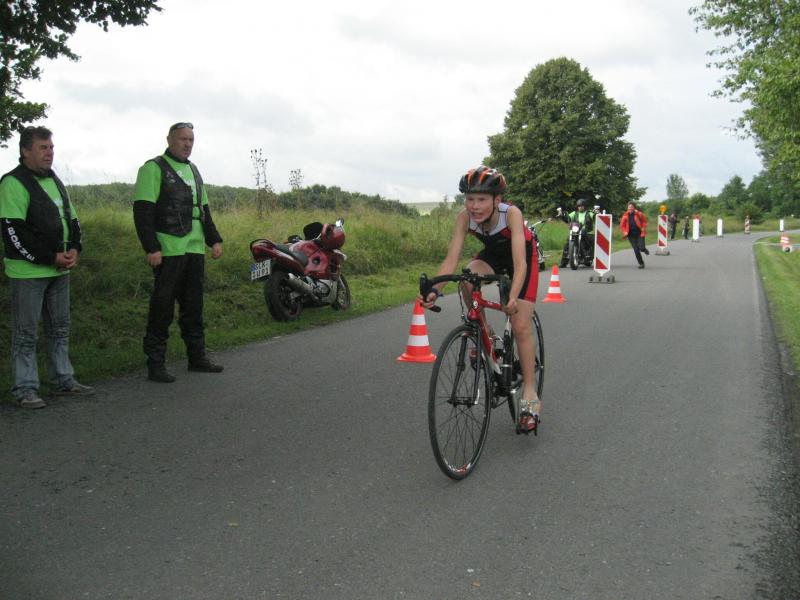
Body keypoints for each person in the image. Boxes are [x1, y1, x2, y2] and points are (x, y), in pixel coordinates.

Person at [419, 166, 541, 432]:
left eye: (482, 199)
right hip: (493, 256)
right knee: (467, 278)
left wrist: (513, 297)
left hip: (523, 258)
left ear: (497, 199)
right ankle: (486, 332)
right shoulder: (464, 218)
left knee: (520, 324)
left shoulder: (511, 214)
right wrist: (435, 289)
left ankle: (530, 395)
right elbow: (451, 258)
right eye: (470, 199)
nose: (475, 206)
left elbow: (520, 264)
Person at [0, 126, 95, 408]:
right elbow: (14, 232)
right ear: (25, 151)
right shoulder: (13, 183)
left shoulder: (54, 180)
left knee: (60, 329)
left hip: (59, 271)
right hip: (28, 273)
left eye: (51, 147)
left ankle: (63, 379)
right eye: (43, 147)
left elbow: (73, 221)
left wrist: (75, 248)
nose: (49, 153)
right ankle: (25, 388)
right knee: (26, 334)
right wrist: (50, 257)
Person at [133, 122, 224, 383]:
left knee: (194, 306)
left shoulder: (194, 170)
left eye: (191, 140)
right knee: (162, 307)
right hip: (168, 249)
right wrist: (151, 247)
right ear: (170, 140)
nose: (187, 144)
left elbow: (204, 210)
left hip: (194, 248)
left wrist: (214, 240)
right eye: (183, 139)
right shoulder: (153, 168)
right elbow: (143, 212)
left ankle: (197, 357)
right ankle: (156, 363)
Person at [558, 197, 595, 268]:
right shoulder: (574, 213)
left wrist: (596, 213)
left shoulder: (589, 213)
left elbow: (595, 217)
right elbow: (567, 218)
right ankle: (564, 262)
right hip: (576, 232)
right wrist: (562, 215)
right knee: (567, 242)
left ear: (585, 206)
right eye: (579, 206)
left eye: (582, 206)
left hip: (588, 232)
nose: (580, 207)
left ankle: (589, 255)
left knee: (592, 240)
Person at [620, 201, 648, 268]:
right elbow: (622, 226)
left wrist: (643, 228)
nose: (630, 208)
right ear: (627, 208)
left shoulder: (639, 214)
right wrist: (625, 232)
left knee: (641, 248)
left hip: (639, 233)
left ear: (634, 207)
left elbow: (644, 221)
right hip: (631, 235)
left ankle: (644, 249)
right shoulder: (625, 215)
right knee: (636, 250)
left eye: (631, 207)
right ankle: (641, 264)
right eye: (629, 207)